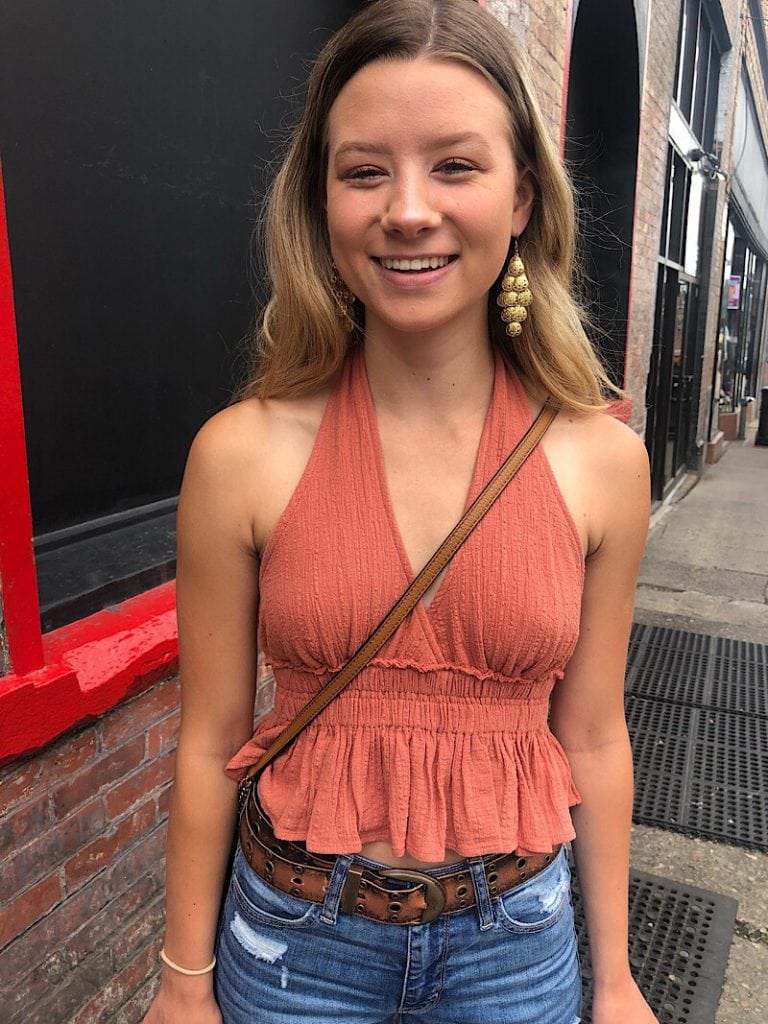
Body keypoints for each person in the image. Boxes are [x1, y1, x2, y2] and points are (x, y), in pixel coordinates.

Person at [144, 2, 656, 1022]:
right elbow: (209, 741)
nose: (408, 210)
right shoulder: (239, 455)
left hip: (515, 945)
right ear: (320, 201)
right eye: (365, 170)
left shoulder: (602, 460)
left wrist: (615, 976)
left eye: (455, 167)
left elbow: (594, 734)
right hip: (296, 948)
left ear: (521, 197)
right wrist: (181, 977)